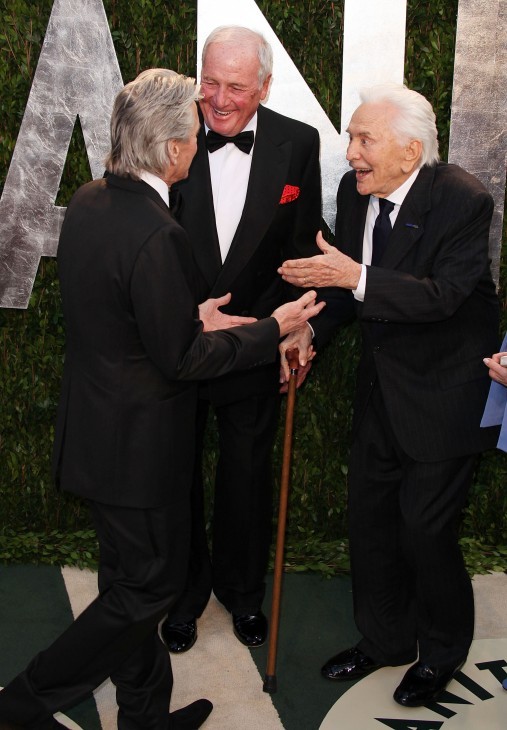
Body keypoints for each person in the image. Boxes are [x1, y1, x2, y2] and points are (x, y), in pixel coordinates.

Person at [0, 69, 324, 730]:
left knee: (128, 586)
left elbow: (123, 317)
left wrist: (188, 311)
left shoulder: (92, 200)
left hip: (97, 432)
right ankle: (22, 702)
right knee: (147, 590)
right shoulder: (158, 232)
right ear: (174, 148)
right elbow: (184, 359)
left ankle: (143, 720)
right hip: (138, 450)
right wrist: (273, 329)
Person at [278, 82, 500, 707]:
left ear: (410, 150)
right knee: (371, 525)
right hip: (381, 393)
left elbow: (442, 297)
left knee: (425, 532)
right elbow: (350, 294)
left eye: (363, 139)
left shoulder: (463, 199)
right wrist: (309, 333)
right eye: (350, 137)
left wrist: (356, 275)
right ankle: (385, 639)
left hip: (445, 396)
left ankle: (440, 652)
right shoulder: (356, 194)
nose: (350, 153)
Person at [160, 25, 322, 653]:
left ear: (264, 87)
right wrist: (183, 315)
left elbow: (299, 249)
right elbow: (144, 241)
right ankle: (182, 594)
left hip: (256, 341)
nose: (220, 100)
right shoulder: (167, 132)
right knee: (176, 475)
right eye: (211, 83)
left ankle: (242, 593)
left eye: (236, 87)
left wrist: (296, 323)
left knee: (247, 476)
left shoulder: (298, 143)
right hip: (181, 341)